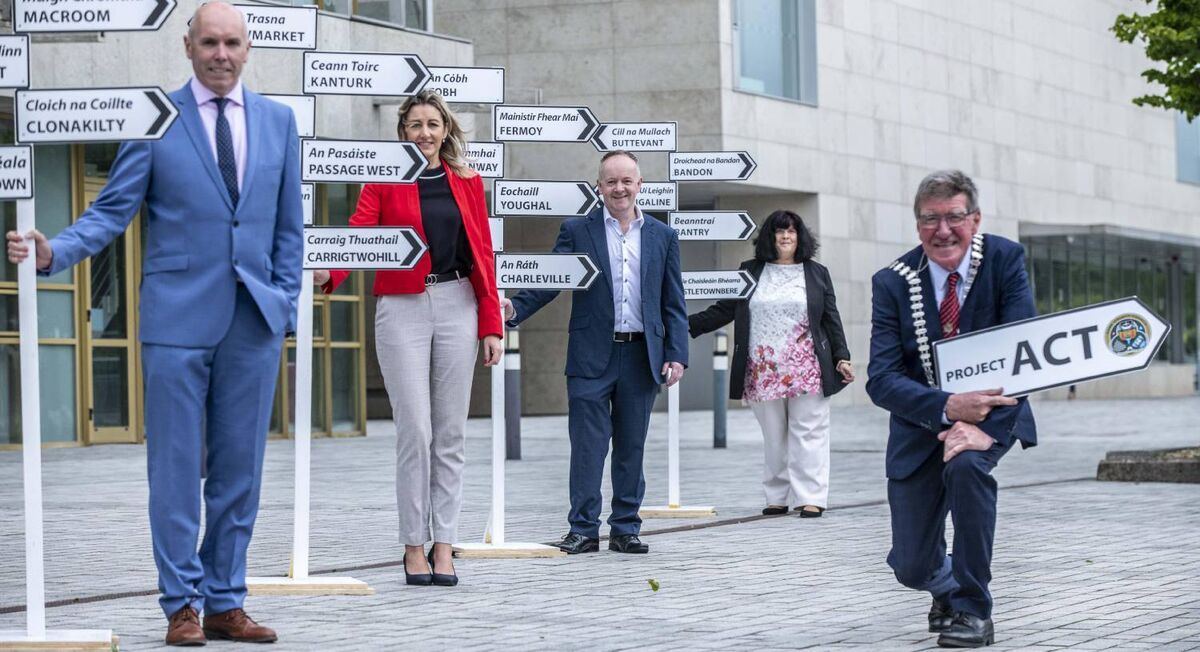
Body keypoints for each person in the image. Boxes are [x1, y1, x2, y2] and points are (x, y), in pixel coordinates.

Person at [6, 3, 299, 645]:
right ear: (188, 47)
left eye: (232, 43)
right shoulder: (155, 119)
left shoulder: (280, 122)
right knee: (174, 471)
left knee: (240, 472)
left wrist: (284, 303)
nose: (221, 54)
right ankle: (182, 605)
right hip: (175, 321)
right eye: (209, 42)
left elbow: (288, 229)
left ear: (248, 49)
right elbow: (112, 211)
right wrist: (55, 251)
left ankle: (226, 602)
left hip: (252, 322)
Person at [313, 90, 502, 587]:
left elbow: (483, 254)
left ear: (445, 130)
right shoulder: (382, 182)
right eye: (415, 125)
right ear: (402, 132)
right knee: (415, 431)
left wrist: (491, 324)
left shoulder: (467, 182)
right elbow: (360, 234)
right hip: (402, 308)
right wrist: (330, 273)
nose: (424, 133)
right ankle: (413, 545)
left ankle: (445, 545)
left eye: (432, 124)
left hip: (459, 302)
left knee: (451, 433)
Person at [866, 170, 1037, 648]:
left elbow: (1026, 351)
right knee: (910, 566)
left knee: (967, 469)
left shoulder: (1004, 260)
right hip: (921, 425)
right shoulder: (892, 282)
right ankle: (946, 588)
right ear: (917, 224)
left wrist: (985, 428)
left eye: (954, 217)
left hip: (993, 415)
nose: (943, 231)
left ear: (975, 219)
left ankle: (974, 611)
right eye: (930, 219)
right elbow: (881, 379)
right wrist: (947, 407)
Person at [500, 150, 687, 555]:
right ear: (598, 186)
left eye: (627, 181)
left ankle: (625, 528)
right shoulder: (577, 230)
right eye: (611, 181)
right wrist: (515, 308)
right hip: (590, 356)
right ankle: (583, 530)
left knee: (631, 447)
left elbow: (673, 300)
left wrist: (677, 353)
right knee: (588, 446)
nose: (619, 188)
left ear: (640, 185)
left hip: (642, 356)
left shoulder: (662, 236)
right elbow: (552, 278)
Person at [687, 210, 853, 518]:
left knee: (809, 432)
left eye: (792, 231)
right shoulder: (750, 271)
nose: (786, 236)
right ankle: (777, 496)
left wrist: (842, 357)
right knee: (774, 437)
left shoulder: (816, 273)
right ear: (770, 237)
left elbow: (831, 319)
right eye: (780, 231)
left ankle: (811, 497)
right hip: (762, 369)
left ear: (800, 237)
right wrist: (683, 325)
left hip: (807, 368)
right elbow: (724, 310)